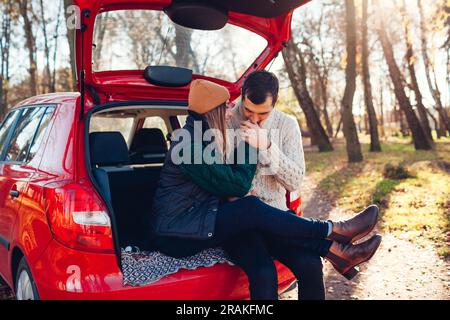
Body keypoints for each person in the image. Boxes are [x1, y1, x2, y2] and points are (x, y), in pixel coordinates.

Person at [150, 79, 382, 300]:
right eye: (226, 107)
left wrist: (266, 146)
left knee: (309, 263)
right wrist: (251, 144)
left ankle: (336, 246)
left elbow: (227, 182)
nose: (232, 112)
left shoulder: (201, 136)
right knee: (254, 228)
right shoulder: (190, 145)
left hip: (202, 218)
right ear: (214, 112)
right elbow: (237, 185)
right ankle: (334, 234)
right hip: (179, 232)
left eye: (231, 107)